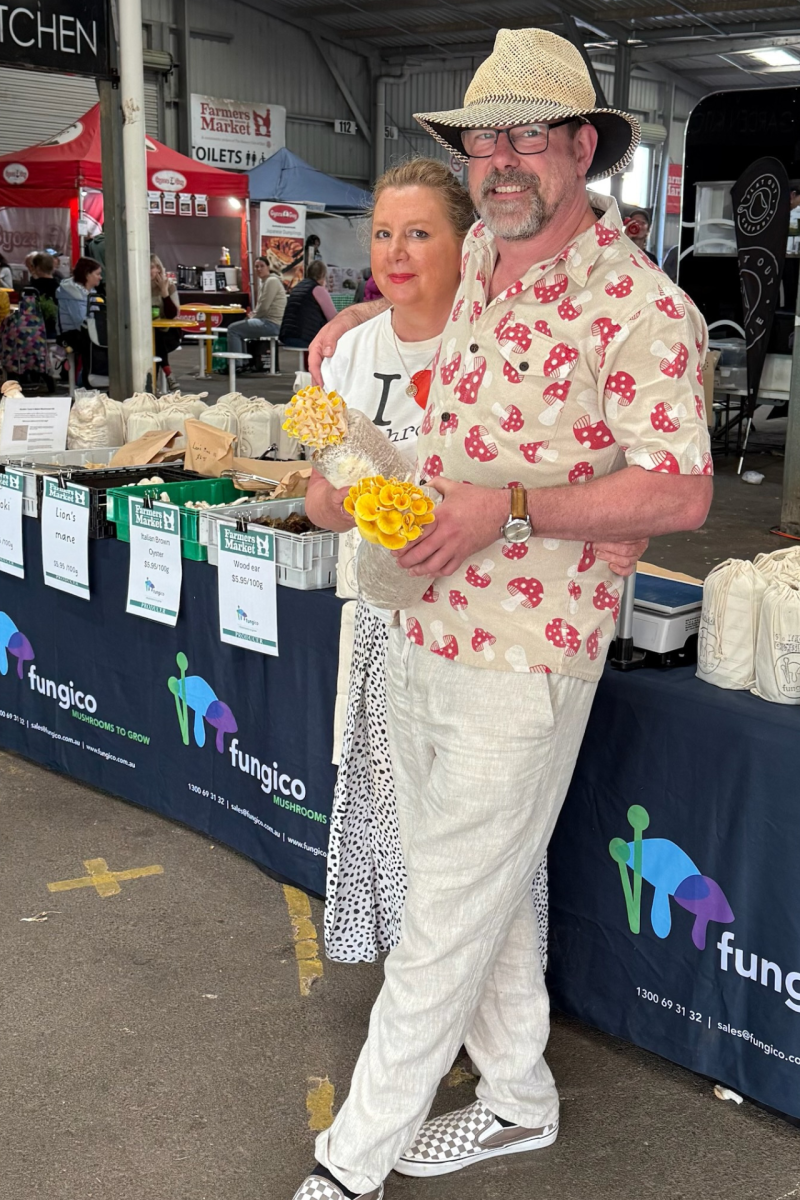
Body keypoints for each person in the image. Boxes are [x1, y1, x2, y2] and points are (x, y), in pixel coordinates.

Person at [295, 27, 713, 1200]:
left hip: (525, 655)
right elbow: (426, 359)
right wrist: (340, 354)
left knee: (442, 916)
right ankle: (518, 1098)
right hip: (421, 616)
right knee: (471, 891)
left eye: (530, 134)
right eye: (484, 138)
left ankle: (348, 1161)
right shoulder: (479, 253)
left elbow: (678, 488)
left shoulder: (640, 309)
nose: (504, 158)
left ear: (584, 147)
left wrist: (508, 509)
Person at [308, 155, 645, 972]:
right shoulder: (350, 357)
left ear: (471, 245)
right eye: (383, 234)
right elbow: (319, 501)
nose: (395, 252)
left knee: (479, 859)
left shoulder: (500, 340)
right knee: (401, 828)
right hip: (387, 616)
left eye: (419, 233)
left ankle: (448, 1013)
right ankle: (419, 982)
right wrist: (369, 501)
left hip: (494, 628)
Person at [225, 256, 286, 369]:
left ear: (268, 267)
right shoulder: (267, 281)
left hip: (272, 323)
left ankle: (236, 365)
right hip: (271, 321)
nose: (259, 269)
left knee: (233, 329)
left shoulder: (271, 281)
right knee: (239, 328)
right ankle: (243, 363)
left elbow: (264, 307)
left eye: (262, 266)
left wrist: (252, 317)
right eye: (256, 266)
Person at [56, 256, 102, 384]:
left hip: (84, 331)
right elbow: (80, 321)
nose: (100, 277)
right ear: (87, 275)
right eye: (97, 274)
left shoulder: (89, 292)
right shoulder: (72, 293)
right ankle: (87, 381)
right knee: (93, 344)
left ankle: (91, 379)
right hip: (70, 334)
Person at [279, 260, 336, 348]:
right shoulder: (317, 289)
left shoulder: (297, 287)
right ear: (323, 275)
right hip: (305, 337)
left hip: (287, 335)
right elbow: (333, 318)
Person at [150, 254, 181, 391]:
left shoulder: (170, 286)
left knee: (156, 340)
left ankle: (152, 386)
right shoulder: (137, 287)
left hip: (169, 332)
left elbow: (173, 314)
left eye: (156, 267)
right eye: (150, 267)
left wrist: (164, 292)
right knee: (154, 339)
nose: (154, 271)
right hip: (147, 332)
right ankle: (168, 373)